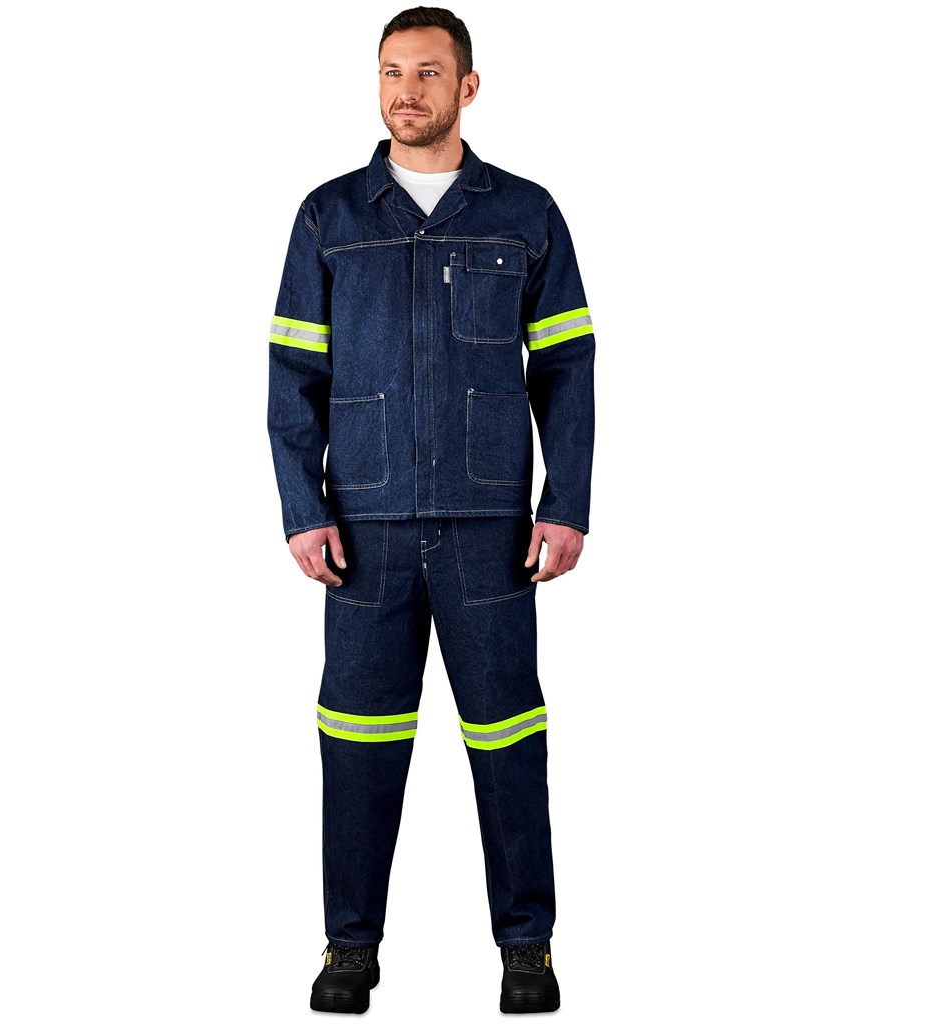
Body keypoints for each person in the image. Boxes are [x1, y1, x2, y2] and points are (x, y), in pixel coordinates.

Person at [267, 7, 594, 1015]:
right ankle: (349, 946)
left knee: (509, 741)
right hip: (362, 533)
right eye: (391, 72)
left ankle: (526, 947)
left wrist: (566, 503)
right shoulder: (329, 217)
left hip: (491, 532)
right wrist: (301, 508)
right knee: (356, 743)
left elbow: (568, 369)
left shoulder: (525, 213)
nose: (406, 91)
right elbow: (292, 376)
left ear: (468, 87)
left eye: (427, 73)